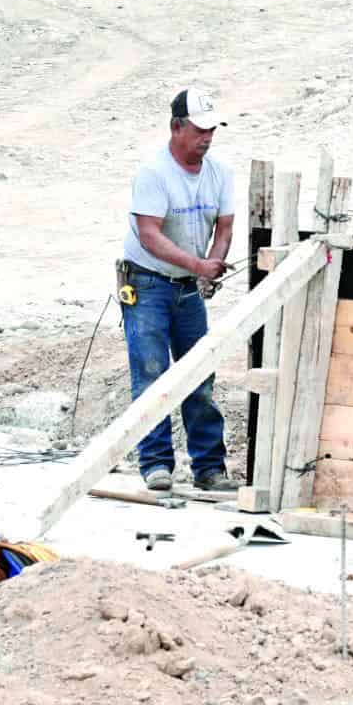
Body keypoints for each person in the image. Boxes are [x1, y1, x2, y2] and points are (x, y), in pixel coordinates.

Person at [121, 87, 236, 494]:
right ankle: (155, 463)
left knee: (198, 374)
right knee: (151, 374)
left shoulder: (220, 173)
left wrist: (212, 267)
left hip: (187, 287)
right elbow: (149, 235)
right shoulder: (154, 175)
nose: (207, 137)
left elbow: (224, 227)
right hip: (147, 283)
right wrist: (198, 265)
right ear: (176, 127)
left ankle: (209, 467)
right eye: (199, 129)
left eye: (212, 129)